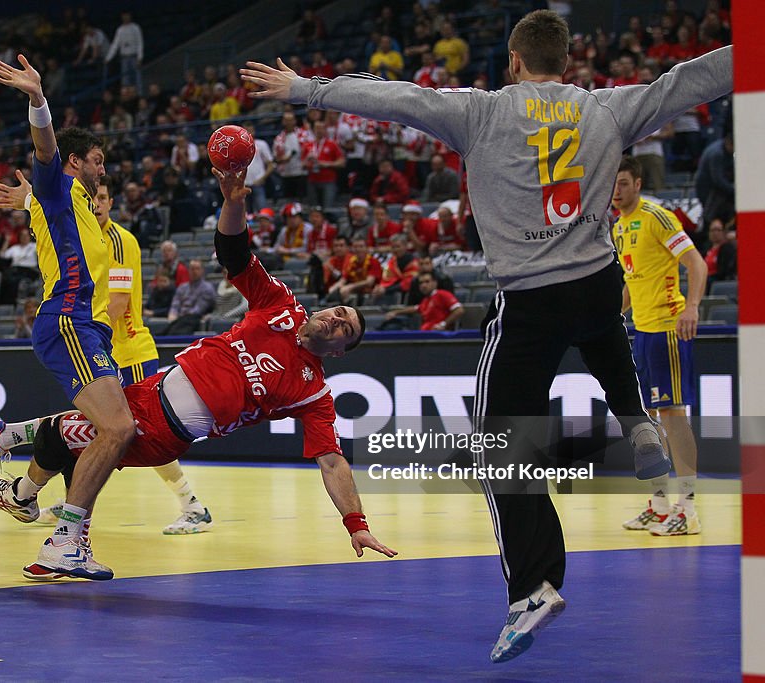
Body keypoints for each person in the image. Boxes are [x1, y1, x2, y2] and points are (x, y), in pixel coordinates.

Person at [242, 10, 731, 663]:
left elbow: (395, 99)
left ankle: (533, 586)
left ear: (513, 62)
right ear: (567, 58)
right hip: (594, 285)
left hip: (529, 300)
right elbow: (689, 80)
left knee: (500, 448)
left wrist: (306, 88)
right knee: (600, 340)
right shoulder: (608, 108)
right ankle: (631, 416)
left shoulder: (482, 111)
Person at [0, 167, 395, 580]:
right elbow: (234, 253)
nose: (337, 321)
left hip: (165, 426)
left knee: (85, 439)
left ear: (338, 351)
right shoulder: (282, 304)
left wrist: (355, 522)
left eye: (346, 329)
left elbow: (333, 462)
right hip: (154, 386)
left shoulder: (313, 391)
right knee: (78, 437)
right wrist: (232, 202)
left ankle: (32, 498)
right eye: (339, 312)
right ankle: (30, 500)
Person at [0, 54, 136, 580]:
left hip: (91, 329)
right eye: (95, 159)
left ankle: (8, 447)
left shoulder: (91, 217)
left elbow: (46, 209)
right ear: (75, 163)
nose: (102, 168)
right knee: (118, 428)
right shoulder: (59, 186)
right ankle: (64, 539)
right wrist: (37, 100)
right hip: (69, 321)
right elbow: (46, 153)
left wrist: (27, 198)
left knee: (101, 432)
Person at [0, 175, 214, 534]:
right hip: (99, 346)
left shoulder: (119, 240)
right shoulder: (82, 234)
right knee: (90, 430)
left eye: (104, 198)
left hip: (127, 348)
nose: (97, 204)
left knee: (139, 433)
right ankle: (70, 503)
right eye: (92, 198)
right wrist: (30, 199)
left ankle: (192, 505)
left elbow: (118, 301)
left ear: (111, 202)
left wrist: (85, 336)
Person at [613, 156, 707, 536]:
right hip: (643, 331)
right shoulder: (619, 228)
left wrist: (694, 307)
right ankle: (659, 503)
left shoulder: (658, 216)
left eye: (622, 184)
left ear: (637, 183)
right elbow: (631, 283)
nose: (615, 192)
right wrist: (610, 319)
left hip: (668, 328)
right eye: (612, 185)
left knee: (672, 414)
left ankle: (687, 508)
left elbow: (696, 265)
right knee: (649, 419)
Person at [384, 271, 464, 330]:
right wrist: (396, 312)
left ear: (435, 283)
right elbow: (415, 309)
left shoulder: (442, 294)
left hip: (438, 335)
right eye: (421, 283)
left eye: (427, 282)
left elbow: (459, 310)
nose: (423, 285)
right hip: (424, 334)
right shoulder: (426, 300)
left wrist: (443, 324)